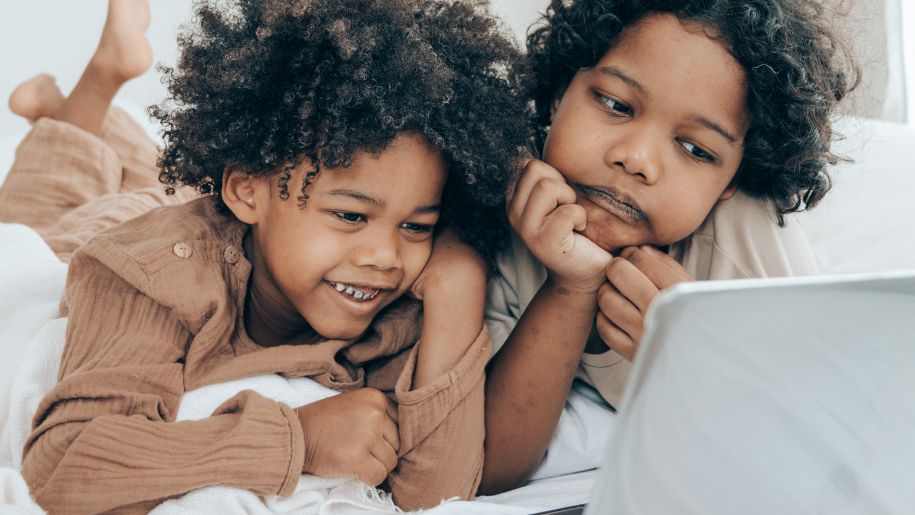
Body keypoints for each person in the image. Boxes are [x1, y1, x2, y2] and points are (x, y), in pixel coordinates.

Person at [0, 0, 528, 513]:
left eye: (417, 225)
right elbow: (62, 470)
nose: (385, 256)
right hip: (140, 230)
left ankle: (71, 117)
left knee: (155, 178)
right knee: (44, 221)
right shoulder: (152, 274)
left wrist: (460, 284)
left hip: (221, 216)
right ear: (247, 191)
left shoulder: (396, 302)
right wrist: (295, 439)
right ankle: (99, 83)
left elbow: (437, 499)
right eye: (349, 215)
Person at [481, 0, 858, 493]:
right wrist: (570, 289)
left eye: (696, 150)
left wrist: (696, 352)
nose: (636, 159)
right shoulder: (511, 214)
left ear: (730, 182)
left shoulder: (743, 239)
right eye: (616, 104)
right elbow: (491, 466)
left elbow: (823, 448)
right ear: (558, 95)